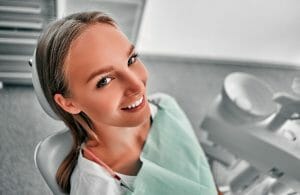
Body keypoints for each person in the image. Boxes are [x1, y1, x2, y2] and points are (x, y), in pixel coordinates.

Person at [35, 11, 218, 195]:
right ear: (69, 104)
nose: (137, 86)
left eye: (131, 60)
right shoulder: (98, 188)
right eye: (104, 81)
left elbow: (201, 175)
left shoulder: (165, 107)